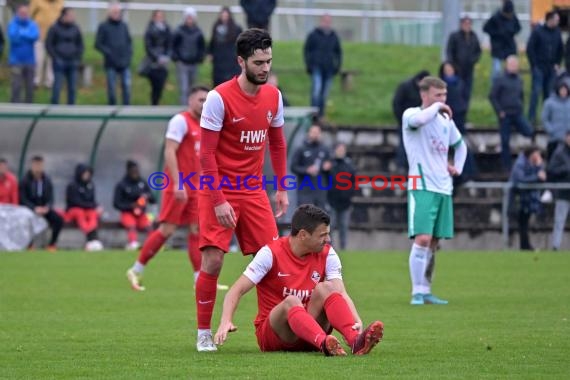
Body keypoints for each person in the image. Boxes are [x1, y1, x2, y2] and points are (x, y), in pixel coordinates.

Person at [196, 28, 289, 352]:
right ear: (241, 61)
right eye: (258, 62)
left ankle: (272, 329)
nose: (265, 68)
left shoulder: (274, 96)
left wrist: (281, 186)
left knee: (274, 260)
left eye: (269, 61)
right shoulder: (218, 98)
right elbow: (205, 154)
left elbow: (277, 142)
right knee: (213, 262)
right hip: (217, 187)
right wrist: (219, 200)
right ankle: (204, 333)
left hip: (253, 190)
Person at [214, 204, 384, 356]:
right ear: (303, 235)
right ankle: (324, 343)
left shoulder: (328, 253)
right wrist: (225, 321)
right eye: (322, 235)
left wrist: (356, 320)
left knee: (326, 287)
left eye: (328, 234)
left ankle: (355, 341)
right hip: (276, 336)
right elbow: (236, 290)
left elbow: (341, 293)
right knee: (292, 301)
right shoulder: (270, 253)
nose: (328, 239)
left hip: (311, 333)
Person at [125, 86, 227, 291]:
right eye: (200, 99)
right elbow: (170, 151)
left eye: (207, 100)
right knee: (167, 229)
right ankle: (136, 269)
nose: (204, 103)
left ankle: (199, 278)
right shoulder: (180, 121)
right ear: (190, 100)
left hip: (198, 187)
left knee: (196, 230)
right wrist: (178, 181)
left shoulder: (206, 124)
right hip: (178, 186)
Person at [402, 76, 467, 305]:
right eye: (438, 95)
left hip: (443, 187)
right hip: (422, 185)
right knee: (422, 237)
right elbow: (421, 119)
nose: (443, 100)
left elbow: (461, 146)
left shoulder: (445, 123)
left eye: (444, 95)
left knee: (434, 242)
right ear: (424, 95)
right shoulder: (411, 114)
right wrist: (438, 107)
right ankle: (415, 292)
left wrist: (456, 168)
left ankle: (425, 289)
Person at [489, 55, 534, 170]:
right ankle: (506, 167)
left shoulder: (519, 80)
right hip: (505, 115)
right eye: (512, 65)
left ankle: (528, 160)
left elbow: (521, 96)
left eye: (515, 65)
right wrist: (499, 111)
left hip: (517, 113)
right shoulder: (500, 79)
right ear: (507, 66)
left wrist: (521, 107)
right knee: (505, 141)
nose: (514, 67)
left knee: (529, 132)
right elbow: (492, 96)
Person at [526, 11, 563, 125]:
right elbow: (530, 49)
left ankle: (547, 118)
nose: (557, 22)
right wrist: (534, 65)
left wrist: (557, 63)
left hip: (551, 68)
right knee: (536, 93)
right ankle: (531, 118)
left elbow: (560, 49)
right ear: (549, 19)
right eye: (556, 20)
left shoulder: (557, 32)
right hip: (539, 68)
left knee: (548, 95)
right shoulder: (538, 31)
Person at [19, 156, 63, 251]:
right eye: (36, 165)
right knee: (27, 220)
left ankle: (52, 244)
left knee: (58, 220)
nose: (38, 167)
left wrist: (47, 207)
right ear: (32, 166)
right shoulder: (25, 181)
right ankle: (29, 245)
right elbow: (22, 199)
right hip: (30, 209)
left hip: (44, 209)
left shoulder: (47, 180)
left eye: (40, 165)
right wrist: (34, 208)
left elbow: (51, 198)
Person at [304, 14, 342, 118]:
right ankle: (314, 114)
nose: (327, 23)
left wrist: (337, 66)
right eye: (325, 21)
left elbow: (338, 52)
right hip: (317, 67)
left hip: (329, 69)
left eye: (328, 21)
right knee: (316, 91)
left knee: (324, 93)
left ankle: (321, 114)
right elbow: (307, 50)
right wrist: (309, 65)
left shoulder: (334, 36)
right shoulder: (313, 35)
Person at [392, 70, 431, 171]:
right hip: (406, 122)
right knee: (404, 145)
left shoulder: (427, 91)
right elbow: (397, 103)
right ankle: (401, 166)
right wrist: (402, 120)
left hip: (420, 123)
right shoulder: (405, 87)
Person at [95, 3, 133, 106]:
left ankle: (126, 107)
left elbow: (129, 42)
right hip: (111, 62)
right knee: (111, 87)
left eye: (118, 12)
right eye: (114, 12)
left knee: (126, 85)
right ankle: (112, 107)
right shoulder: (103, 26)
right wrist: (108, 53)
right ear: (110, 13)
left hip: (124, 61)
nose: (117, 14)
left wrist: (128, 54)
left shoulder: (124, 26)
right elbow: (98, 44)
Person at [113, 160, 156, 250]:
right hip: (127, 213)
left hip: (141, 213)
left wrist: (147, 197)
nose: (135, 173)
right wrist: (130, 206)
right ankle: (133, 243)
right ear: (128, 171)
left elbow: (153, 199)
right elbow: (116, 204)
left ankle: (154, 245)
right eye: (133, 171)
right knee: (131, 225)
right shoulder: (122, 185)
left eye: (137, 171)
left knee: (148, 226)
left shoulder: (142, 183)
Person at [509, 146, 546, 251]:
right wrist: (537, 176)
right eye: (537, 154)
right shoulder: (520, 164)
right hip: (518, 199)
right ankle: (524, 246)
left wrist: (539, 166)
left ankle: (525, 246)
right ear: (531, 154)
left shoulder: (532, 163)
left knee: (524, 223)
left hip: (527, 199)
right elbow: (521, 180)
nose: (539, 157)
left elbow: (541, 176)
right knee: (522, 223)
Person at [46, 7, 84, 105]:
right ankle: (54, 107)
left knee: (72, 87)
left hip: (72, 61)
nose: (73, 17)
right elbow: (49, 44)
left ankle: (71, 108)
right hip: (59, 61)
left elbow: (80, 44)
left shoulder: (76, 28)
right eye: (70, 15)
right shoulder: (54, 28)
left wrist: (77, 57)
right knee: (57, 86)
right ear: (64, 16)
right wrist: (55, 57)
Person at [290, 123, 332, 209]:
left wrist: (328, 167)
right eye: (313, 132)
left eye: (317, 132)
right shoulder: (301, 149)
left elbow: (331, 167)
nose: (315, 135)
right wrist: (306, 170)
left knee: (320, 218)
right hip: (305, 190)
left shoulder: (325, 149)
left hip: (320, 190)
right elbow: (293, 167)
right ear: (309, 133)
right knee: (306, 217)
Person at [65, 163, 103, 251]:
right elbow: (75, 202)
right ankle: (91, 238)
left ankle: (91, 241)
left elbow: (92, 201)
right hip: (73, 211)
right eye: (85, 173)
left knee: (93, 213)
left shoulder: (91, 185)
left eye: (88, 173)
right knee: (79, 212)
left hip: (87, 210)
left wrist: (97, 207)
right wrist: (92, 206)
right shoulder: (72, 185)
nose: (87, 175)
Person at [172, 7, 206, 106]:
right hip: (182, 63)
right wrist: (176, 57)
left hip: (193, 63)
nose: (189, 20)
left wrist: (200, 58)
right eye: (188, 17)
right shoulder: (179, 31)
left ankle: (193, 107)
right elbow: (173, 46)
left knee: (193, 88)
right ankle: (184, 108)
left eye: (191, 18)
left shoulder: (198, 32)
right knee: (184, 88)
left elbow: (202, 47)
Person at [445, 15, 481, 107]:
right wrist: (451, 64)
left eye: (469, 23)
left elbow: (478, 51)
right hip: (457, 69)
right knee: (457, 92)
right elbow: (449, 50)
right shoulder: (454, 36)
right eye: (465, 23)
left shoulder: (473, 37)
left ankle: (464, 112)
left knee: (467, 92)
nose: (467, 25)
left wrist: (473, 60)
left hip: (469, 69)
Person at [325, 143, 356, 250]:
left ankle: (343, 247)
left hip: (345, 202)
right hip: (331, 200)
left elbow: (354, 182)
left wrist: (349, 194)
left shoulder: (349, 165)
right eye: (339, 149)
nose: (340, 152)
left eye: (342, 150)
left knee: (343, 226)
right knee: (330, 226)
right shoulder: (330, 164)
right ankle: (330, 248)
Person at [8, 4, 39, 103]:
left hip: (30, 60)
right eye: (22, 12)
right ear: (18, 13)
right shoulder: (13, 24)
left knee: (30, 85)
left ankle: (29, 104)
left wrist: (21, 34)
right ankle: (15, 104)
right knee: (16, 84)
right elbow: (13, 38)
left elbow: (34, 36)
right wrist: (27, 36)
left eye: (26, 13)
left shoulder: (32, 24)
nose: (24, 14)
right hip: (16, 60)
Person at [483, 0, 521, 79]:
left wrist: (511, 32)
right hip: (498, 48)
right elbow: (486, 28)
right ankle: (496, 89)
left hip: (510, 47)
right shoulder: (495, 17)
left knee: (512, 70)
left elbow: (518, 28)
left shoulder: (513, 17)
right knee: (497, 71)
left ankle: (511, 88)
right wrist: (497, 33)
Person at [30, 0, 63, 89]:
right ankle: (35, 81)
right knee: (38, 59)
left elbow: (61, 17)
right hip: (39, 36)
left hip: (54, 38)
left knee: (51, 60)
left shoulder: (60, 2)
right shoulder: (36, 1)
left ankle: (50, 82)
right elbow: (30, 15)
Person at [547, 131, 570, 251]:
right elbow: (551, 169)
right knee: (559, 220)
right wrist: (566, 170)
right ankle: (556, 246)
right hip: (563, 192)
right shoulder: (560, 152)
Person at [143, 10, 171, 106]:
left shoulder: (167, 29)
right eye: (158, 16)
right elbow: (148, 46)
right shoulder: (150, 29)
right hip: (153, 62)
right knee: (155, 84)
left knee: (161, 85)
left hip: (164, 62)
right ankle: (154, 103)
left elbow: (169, 44)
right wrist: (157, 57)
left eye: (161, 16)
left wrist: (167, 56)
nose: (160, 18)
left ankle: (157, 101)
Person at [209, 7, 242, 87]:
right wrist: (210, 53)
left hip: (231, 59)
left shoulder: (236, 28)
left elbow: (241, 43)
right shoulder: (216, 27)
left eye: (226, 16)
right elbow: (212, 41)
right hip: (219, 60)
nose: (224, 18)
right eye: (223, 15)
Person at [541, 80, 570, 161]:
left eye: (565, 90)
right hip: (555, 138)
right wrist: (551, 130)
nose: (563, 92)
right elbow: (544, 118)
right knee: (552, 160)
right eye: (562, 90)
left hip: (568, 139)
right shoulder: (549, 103)